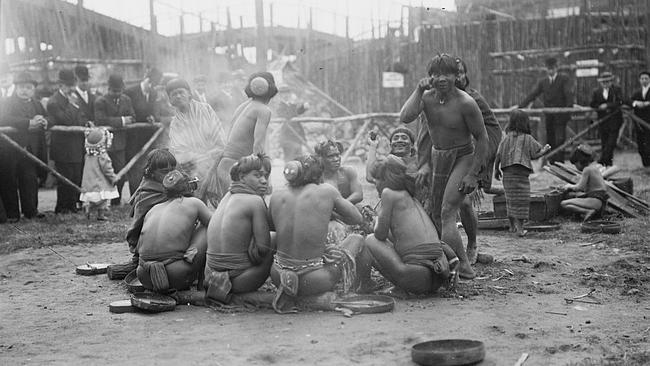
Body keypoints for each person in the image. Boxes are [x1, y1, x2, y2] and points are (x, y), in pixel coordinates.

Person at [399, 53, 488, 279]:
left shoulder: (466, 103)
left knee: (448, 212)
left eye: (447, 73)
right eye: (436, 74)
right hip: (438, 156)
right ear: (429, 77)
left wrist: (472, 174)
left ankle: (464, 265)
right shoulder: (427, 98)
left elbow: (482, 137)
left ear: (456, 75)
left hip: (462, 157)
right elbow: (405, 117)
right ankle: (454, 262)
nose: (442, 79)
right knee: (437, 215)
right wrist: (418, 90)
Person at [269, 155, 365, 313]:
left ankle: (290, 292)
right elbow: (357, 218)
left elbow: (272, 225)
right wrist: (330, 212)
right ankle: (361, 286)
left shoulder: (277, 194)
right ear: (318, 173)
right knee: (357, 239)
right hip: (314, 280)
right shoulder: (327, 191)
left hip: (278, 276)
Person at [358, 155, 459, 294]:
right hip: (436, 278)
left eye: (376, 179)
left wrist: (374, 223)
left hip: (416, 279)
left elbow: (379, 235)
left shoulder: (388, 193)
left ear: (384, 179)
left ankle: (368, 285)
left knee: (369, 240)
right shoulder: (409, 195)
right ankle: (400, 287)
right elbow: (399, 238)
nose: (375, 183)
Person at [204, 153, 273, 304]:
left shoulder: (226, 198)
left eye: (266, 176)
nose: (263, 181)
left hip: (210, 278)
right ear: (241, 177)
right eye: (257, 175)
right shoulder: (255, 201)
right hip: (237, 282)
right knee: (274, 238)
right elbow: (263, 249)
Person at [136, 170, 211, 292]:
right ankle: (203, 287)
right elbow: (216, 226)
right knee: (206, 228)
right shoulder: (194, 203)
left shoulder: (154, 209)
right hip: (176, 275)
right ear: (190, 186)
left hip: (144, 276)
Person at [213, 72, 278, 205]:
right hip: (237, 169)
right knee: (250, 209)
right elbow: (258, 147)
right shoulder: (263, 110)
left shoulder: (243, 106)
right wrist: (266, 178)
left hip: (225, 166)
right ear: (271, 89)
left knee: (228, 211)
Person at [165, 78, 226, 203]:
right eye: (174, 94)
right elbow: (180, 152)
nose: (178, 96)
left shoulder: (205, 109)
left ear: (189, 94)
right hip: (193, 168)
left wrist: (211, 157)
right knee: (198, 203)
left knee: (223, 202)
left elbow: (219, 138)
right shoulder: (175, 124)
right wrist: (199, 160)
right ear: (170, 100)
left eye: (181, 92)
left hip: (216, 160)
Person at [0, 71, 48, 222]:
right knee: (9, 181)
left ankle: (31, 210)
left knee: (29, 179)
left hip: (30, 150)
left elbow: (48, 116)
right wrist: (28, 123)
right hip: (10, 150)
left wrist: (45, 121)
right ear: (16, 88)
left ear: (33, 90)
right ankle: (12, 213)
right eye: (21, 87)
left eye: (28, 87)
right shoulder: (7, 102)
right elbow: (3, 118)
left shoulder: (37, 104)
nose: (24, 90)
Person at [494, 109, 551, 236]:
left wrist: (496, 169)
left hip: (507, 174)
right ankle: (520, 229)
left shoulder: (506, 138)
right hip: (521, 175)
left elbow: (498, 154)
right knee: (522, 201)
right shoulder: (528, 138)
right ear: (526, 123)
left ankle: (511, 226)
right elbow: (535, 155)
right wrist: (544, 151)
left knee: (510, 199)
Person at [518, 57, 575, 163]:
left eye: (552, 68)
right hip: (549, 116)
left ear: (556, 68)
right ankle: (553, 162)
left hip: (561, 114)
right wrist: (520, 106)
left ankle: (560, 161)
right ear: (546, 69)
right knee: (551, 138)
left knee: (560, 139)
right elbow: (533, 94)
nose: (551, 71)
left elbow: (569, 95)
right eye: (549, 69)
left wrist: (568, 110)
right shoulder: (543, 82)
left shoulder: (564, 79)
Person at [47, 69, 87, 214]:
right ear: (60, 85)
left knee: (76, 176)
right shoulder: (53, 102)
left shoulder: (74, 97)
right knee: (65, 179)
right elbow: (66, 120)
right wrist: (72, 105)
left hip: (76, 145)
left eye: (72, 85)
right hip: (62, 148)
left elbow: (81, 117)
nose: (71, 88)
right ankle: (62, 208)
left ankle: (72, 206)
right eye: (68, 85)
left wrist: (86, 123)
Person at [93, 74, 136, 206]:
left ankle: (116, 200)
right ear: (109, 88)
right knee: (103, 173)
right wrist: (123, 120)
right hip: (104, 144)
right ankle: (102, 202)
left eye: (119, 91)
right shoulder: (100, 101)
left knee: (120, 173)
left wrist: (124, 120)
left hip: (121, 144)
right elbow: (100, 120)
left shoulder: (126, 100)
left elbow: (133, 117)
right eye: (114, 91)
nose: (117, 94)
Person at [124, 67, 163, 196]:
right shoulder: (130, 92)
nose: (151, 87)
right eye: (150, 84)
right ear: (146, 79)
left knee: (145, 166)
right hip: (132, 137)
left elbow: (155, 111)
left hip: (147, 137)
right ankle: (133, 195)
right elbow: (128, 113)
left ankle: (144, 193)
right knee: (133, 166)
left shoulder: (153, 93)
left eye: (154, 85)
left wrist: (152, 117)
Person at [560, 145, 609, 221]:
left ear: (579, 161)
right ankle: (590, 211)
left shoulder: (587, 169)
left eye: (575, 164)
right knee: (575, 197)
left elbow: (580, 187)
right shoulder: (594, 168)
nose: (575, 167)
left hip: (595, 201)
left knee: (564, 203)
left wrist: (569, 186)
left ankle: (587, 211)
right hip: (601, 202)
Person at [79, 127, 119, 221]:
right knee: (103, 199)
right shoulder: (103, 156)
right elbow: (107, 169)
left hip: (88, 183)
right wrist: (113, 178)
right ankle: (100, 215)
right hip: (100, 183)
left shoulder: (88, 156)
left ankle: (87, 207)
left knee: (90, 199)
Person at [589, 71, 624, 167]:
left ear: (611, 81)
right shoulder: (597, 91)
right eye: (603, 82)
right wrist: (599, 106)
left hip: (615, 120)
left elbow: (620, 101)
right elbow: (592, 103)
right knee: (604, 142)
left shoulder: (616, 90)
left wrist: (608, 105)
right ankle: (607, 164)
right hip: (603, 121)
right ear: (600, 82)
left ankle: (601, 160)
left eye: (607, 81)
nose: (605, 84)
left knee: (611, 143)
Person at [315, 139, 363, 204]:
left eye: (337, 155)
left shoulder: (348, 171)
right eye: (330, 156)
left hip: (349, 210)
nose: (336, 159)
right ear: (320, 158)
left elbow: (358, 194)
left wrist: (341, 206)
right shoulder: (316, 177)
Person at [629, 71, 650, 170]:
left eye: (646, 78)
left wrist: (647, 104)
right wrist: (636, 103)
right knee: (641, 145)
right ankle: (645, 165)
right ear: (639, 80)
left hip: (649, 122)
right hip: (639, 123)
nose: (644, 80)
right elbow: (628, 101)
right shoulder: (637, 92)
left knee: (648, 144)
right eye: (642, 79)